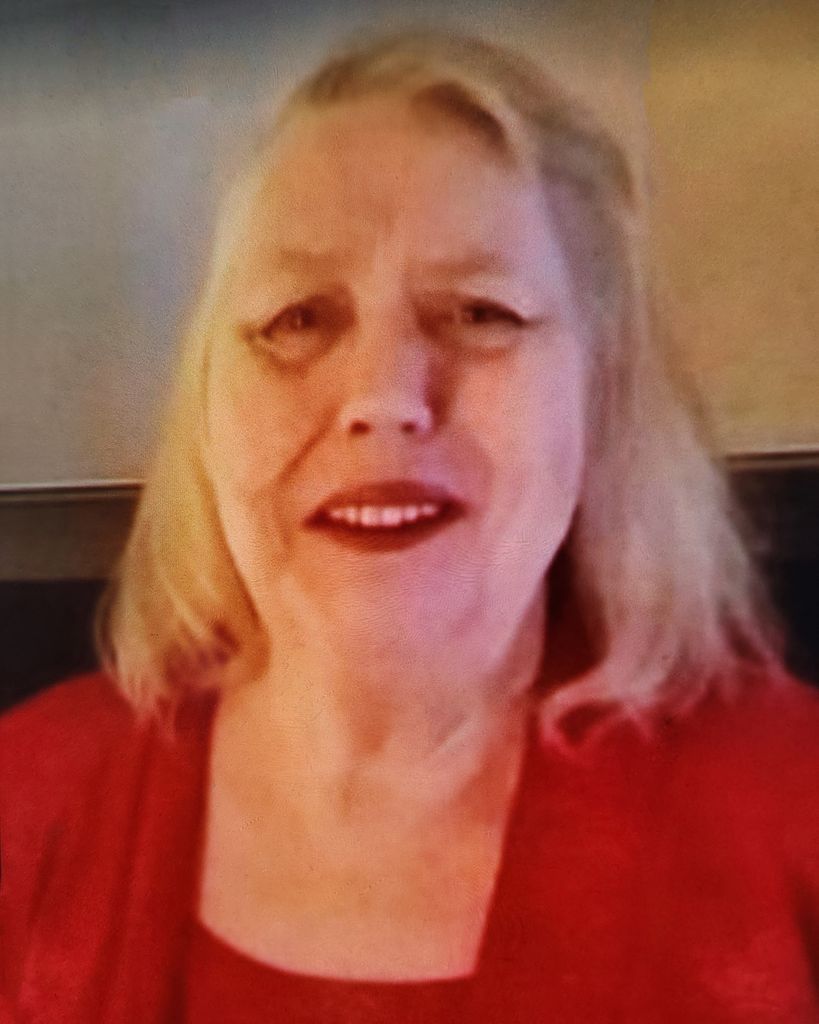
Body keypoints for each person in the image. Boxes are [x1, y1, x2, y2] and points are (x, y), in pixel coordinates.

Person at [1, 28, 818, 1024]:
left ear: (600, 395)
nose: (384, 397)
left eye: (480, 313)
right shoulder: (26, 802)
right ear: (207, 409)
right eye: (298, 318)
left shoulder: (793, 805)